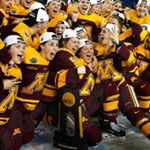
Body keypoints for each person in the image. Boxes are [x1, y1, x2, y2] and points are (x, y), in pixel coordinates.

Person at [43, 29, 102, 149]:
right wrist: (86, 68)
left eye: (77, 42)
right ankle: (64, 133)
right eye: (74, 42)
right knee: (95, 137)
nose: (76, 44)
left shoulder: (75, 58)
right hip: (64, 106)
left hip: (76, 104)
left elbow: (84, 69)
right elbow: (78, 72)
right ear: (64, 42)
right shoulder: (62, 54)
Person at [95, 23, 150, 138]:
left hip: (120, 84)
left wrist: (118, 43)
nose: (100, 33)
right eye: (101, 31)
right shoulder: (95, 48)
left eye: (104, 31)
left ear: (111, 34)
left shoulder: (124, 45)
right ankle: (108, 121)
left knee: (136, 115)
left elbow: (130, 60)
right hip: (100, 90)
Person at [15, 31, 59, 145]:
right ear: (42, 45)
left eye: (57, 45)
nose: (55, 48)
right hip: (16, 104)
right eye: (51, 44)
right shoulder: (30, 52)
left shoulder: (49, 62)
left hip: (30, 108)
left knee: (28, 136)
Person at [0, 31, 25, 150]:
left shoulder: (17, 71)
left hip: (6, 115)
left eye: (24, 47)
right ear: (7, 50)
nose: (22, 50)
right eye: (17, 46)